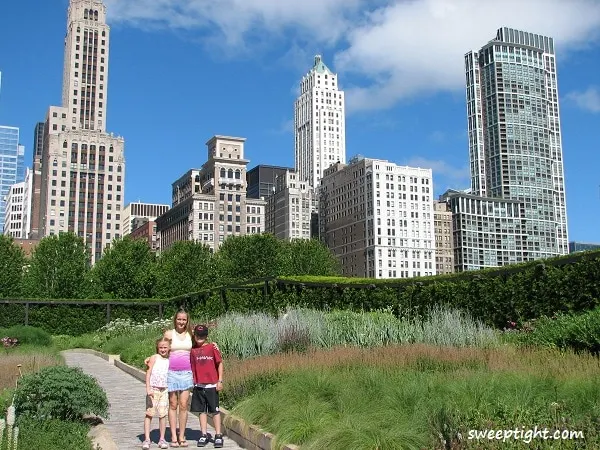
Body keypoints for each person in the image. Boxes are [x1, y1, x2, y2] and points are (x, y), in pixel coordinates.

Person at [190, 324, 224, 448]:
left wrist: (220, 381)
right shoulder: (192, 350)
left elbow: (219, 363)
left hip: (211, 384)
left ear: (206, 336)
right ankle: (203, 434)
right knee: (201, 411)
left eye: (202, 335)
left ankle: (218, 435)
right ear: (194, 336)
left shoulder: (212, 348)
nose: (200, 337)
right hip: (199, 385)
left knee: (214, 410)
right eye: (198, 335)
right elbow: (192, 366)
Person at [163, 308, 194, 447]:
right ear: (175, 319)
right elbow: (162, 349)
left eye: (184, 319)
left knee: (183, 405)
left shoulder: (190, 334)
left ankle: (182, 435)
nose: (181, 322)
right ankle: (173, 436)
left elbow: (201, 345)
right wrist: (151, 360)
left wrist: (214, 345)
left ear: (187, 321)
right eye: (179, 319)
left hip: (187, 373)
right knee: (173, 404)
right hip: (171, 373)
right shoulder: (169, 334)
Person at [142, 337, 171, 450]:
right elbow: (148, 373)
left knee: (163, 414)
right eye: (160, 347)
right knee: (149, 413)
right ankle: (147, 439)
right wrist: (148, 388)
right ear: (157, 348)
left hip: (165, 389)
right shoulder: (154, 358)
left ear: (169, 348)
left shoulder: (170, 359)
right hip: (153, 389)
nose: (163, 349)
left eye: (165, 347)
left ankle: (162, 438)